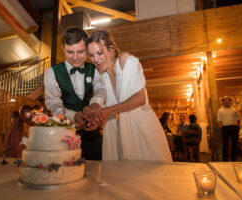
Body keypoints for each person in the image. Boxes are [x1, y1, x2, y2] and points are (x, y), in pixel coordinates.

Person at [85, 30, 172, 162]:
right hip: (121, 137)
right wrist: (95, 118)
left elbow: (140, 97)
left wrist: (107, 111)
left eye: (100, 53)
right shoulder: (103, 77)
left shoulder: (126, 61)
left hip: (143, 130)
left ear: (111, 49)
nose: (95, 59)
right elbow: (100, 99)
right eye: (91, 55)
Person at [44, 27, 106, 160]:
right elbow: (53, 104)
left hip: (93, 137)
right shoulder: (52, 72)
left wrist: (96, 105)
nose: (76, 57)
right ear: (62, 48)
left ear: (87, 49)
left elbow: (100, 89)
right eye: (70, 52)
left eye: (81, 52)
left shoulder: (94, 69)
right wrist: (73, 116)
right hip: (64, 138)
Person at [217, 96, 240, 161]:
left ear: (230, 102)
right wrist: (221, 128)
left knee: (234, 144)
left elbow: (238, 119)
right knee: (225, 144)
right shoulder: (220, 111)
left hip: (234, 127)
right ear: (223, 103)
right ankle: (225, 160)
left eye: (228, 101)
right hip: (225, 128)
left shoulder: (234, 110)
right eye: (225, 101)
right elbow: (219, 120)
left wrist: (238, 126)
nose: (226, 102)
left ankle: (233, 159)